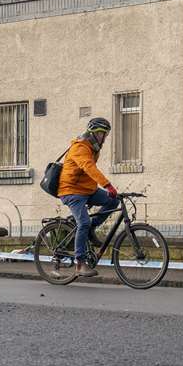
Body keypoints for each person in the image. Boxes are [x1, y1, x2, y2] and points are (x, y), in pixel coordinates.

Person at [55, 117, 119, 277]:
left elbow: (89, 171)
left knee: (113, 200)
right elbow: (88, 167)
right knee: (83, 222)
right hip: (71, 190)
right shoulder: (80, 147)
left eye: (105, 134)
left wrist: (108, 190)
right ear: (92, 133)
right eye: (101, 133)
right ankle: (80, 264)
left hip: (86, 189)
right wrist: (107, 185)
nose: (104, 137)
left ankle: (92, 227)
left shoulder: (93, 147)